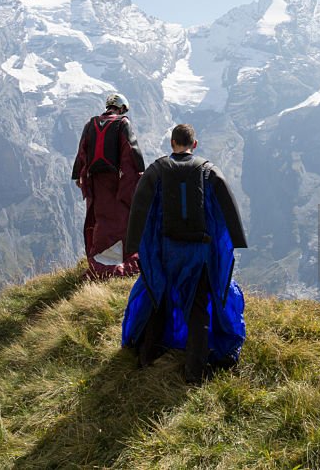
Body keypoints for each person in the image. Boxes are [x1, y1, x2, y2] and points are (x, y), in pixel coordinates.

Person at [121, 123, 248, 383]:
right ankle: (195, 371)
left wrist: (134, 246)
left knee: (159, 299)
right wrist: (234, 241)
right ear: (195, 144)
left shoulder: (157, 170)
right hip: (198, 254)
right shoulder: (209, 171)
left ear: (172, 144)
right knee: (198, 309)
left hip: (167, 252)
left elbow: (140, 211)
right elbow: (227, 213)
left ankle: (147, 357)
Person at [72, 92, 145, 279]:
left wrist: (81, 179)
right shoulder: (122, 124)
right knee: (119, 221)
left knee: (99, 221)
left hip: (96, 185)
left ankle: (98, 263)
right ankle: (117, 265)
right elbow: (131, 154)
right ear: (121, 108)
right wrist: (135, 183)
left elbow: (82, 153)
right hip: (116, 184)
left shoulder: (91, 124)